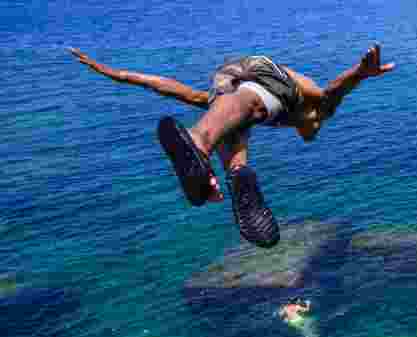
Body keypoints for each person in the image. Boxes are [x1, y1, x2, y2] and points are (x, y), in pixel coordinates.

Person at [69, 45, 395, 249]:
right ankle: (202, 145)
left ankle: (236, 177)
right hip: (262, 76)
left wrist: (117, 74)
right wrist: (360, 72)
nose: (309, 135)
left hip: (227, 78)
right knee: (249, 107)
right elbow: (334, 90)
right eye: (310, 133)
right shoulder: (314, 110)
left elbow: (170, 89)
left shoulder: (247, 107)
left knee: (234, 124)